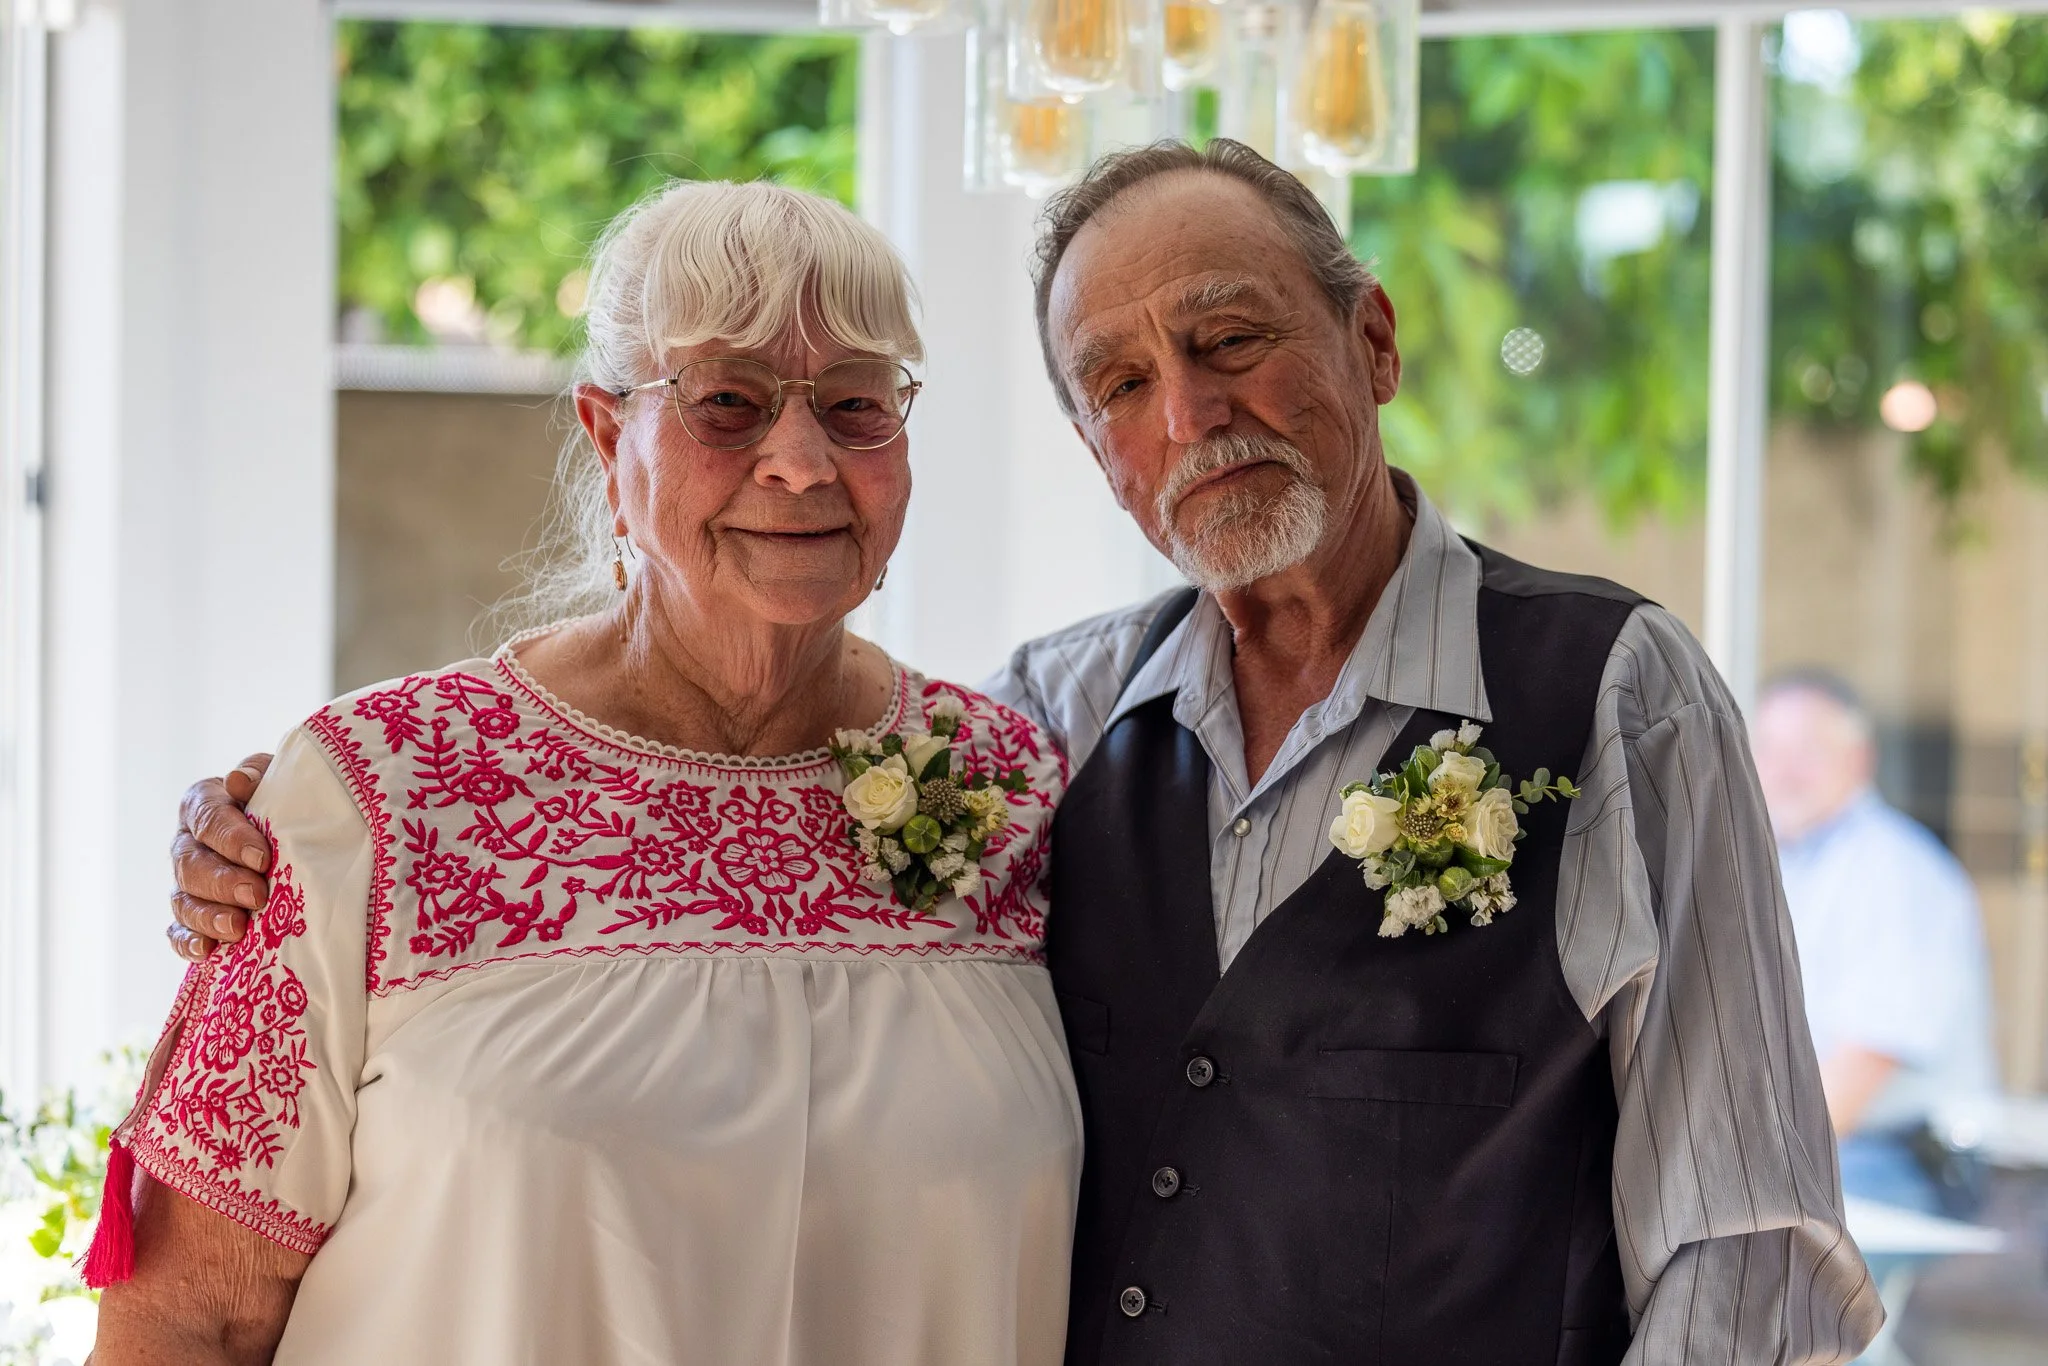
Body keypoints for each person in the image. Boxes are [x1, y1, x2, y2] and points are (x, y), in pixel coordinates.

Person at [165, 141, 1880, 1364]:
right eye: (1117, 383)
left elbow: (1744, 1249)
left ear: (1366, 341)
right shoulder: (1032, 737)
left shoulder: (1615, 698)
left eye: (1226, 343)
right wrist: (266, 828)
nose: (1186, 416)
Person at [88, 180, 1079, 1365]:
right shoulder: (377, 793)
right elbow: (183, 1321)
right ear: (610, 435)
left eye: (857, 403)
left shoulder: (1009, 781)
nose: (804, 461)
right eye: (727, 402)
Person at [1751, 671, 1998, 1214]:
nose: (1784, 770)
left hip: (1895, 1161)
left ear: (1860, 758)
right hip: (1821, 1146)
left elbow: (1863, 1066)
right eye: (1769, 749)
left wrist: (1755, 1168)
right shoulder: (1776, 863)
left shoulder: (1896, 869)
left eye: (1808, 750)